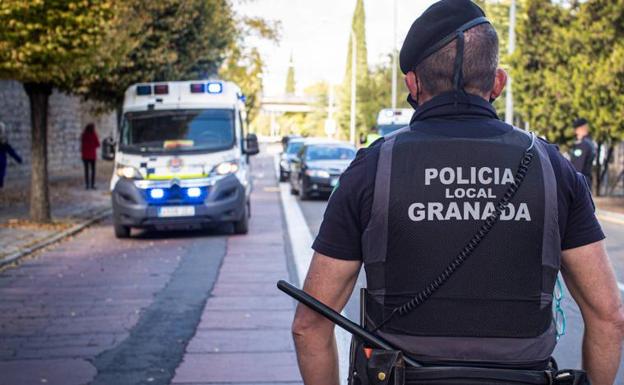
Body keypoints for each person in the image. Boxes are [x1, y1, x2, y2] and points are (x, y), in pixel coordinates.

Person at [291, 1, 624, 385]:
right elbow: (608, 316)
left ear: (412, 84)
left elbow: (309, 326)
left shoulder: (373, 168)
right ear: (498, 83)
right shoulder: (553, 168)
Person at [569, 118, 596, 187]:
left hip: (580, 182)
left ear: (578, 130)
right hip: (586, 180)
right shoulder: (590, 143)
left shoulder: (583, 145)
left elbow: (578, 167)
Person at [0, 122, 22, 188]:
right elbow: (11, 151)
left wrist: (18, 159)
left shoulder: (3, 142)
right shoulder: (4, 141)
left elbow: (11, 151)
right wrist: (18, 159)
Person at [80, 123, 100, 189]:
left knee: (86, 170)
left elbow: (82, 144)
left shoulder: (84, 135)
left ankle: (87, 185)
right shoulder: (93, 135)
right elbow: (97, 144)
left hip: (85, 155)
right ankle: (92, 185)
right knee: (93, 170)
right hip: (92, 155)